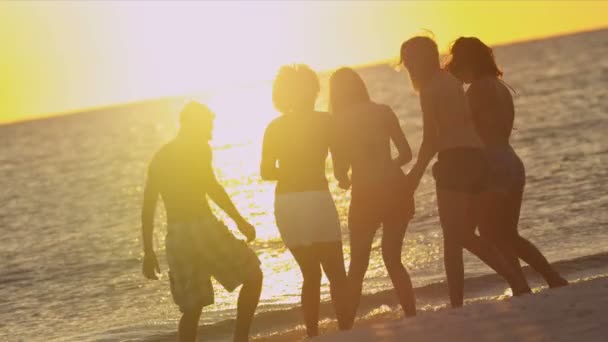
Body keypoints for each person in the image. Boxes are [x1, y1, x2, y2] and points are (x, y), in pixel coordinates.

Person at [399, 36, 532, 308]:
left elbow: (431, 139)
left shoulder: (430, 88)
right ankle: (458, 302)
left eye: (410, 62)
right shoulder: (452, 82)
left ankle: (513, 280)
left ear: (419, 61)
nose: (408, 68)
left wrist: (414, 175)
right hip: (477, 159)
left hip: (455, 160)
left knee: (459, 235)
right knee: (456, 236)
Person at [445, 37, 568, 288]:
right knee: (507, 234)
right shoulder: (499, 86)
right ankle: (547, 279)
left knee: (489, 234)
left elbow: (461, 127)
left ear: (467, 62)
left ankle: (523, 283)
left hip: (490, 164)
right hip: (509, 160)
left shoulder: (477, 90)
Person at [141, 101, 263, 342]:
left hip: (177, 237)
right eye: (208, 125)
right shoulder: (198, 148)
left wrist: (148, 251)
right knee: (253, 275)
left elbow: (148, 206)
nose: (211, 131)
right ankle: (241, 339)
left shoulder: (160, 156)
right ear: (194, 124)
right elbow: (212, 187)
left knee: (192, 308)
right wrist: (239, 220)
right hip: (202, 227)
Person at [260, 64, 351, 337]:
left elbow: (265, 172)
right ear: (312, 89)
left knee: (310, 275)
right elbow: (339, 166)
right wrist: (344, 178)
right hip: (315, 198)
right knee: (336, 271)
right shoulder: (326, 121)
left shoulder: (273, 127)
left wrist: (290, 170)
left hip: (286, 203)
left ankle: (312, 333)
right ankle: (346, 329)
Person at [329, 67, 416, 324]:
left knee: (357, 266)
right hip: (395, 188)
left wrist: (347, 178)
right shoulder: (383, 111)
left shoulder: (338, 123)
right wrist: (386, 165)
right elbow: (406, 153)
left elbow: (340, 172)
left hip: (366, 193)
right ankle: (412, 315)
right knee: (393, 258)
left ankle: (346, 326)